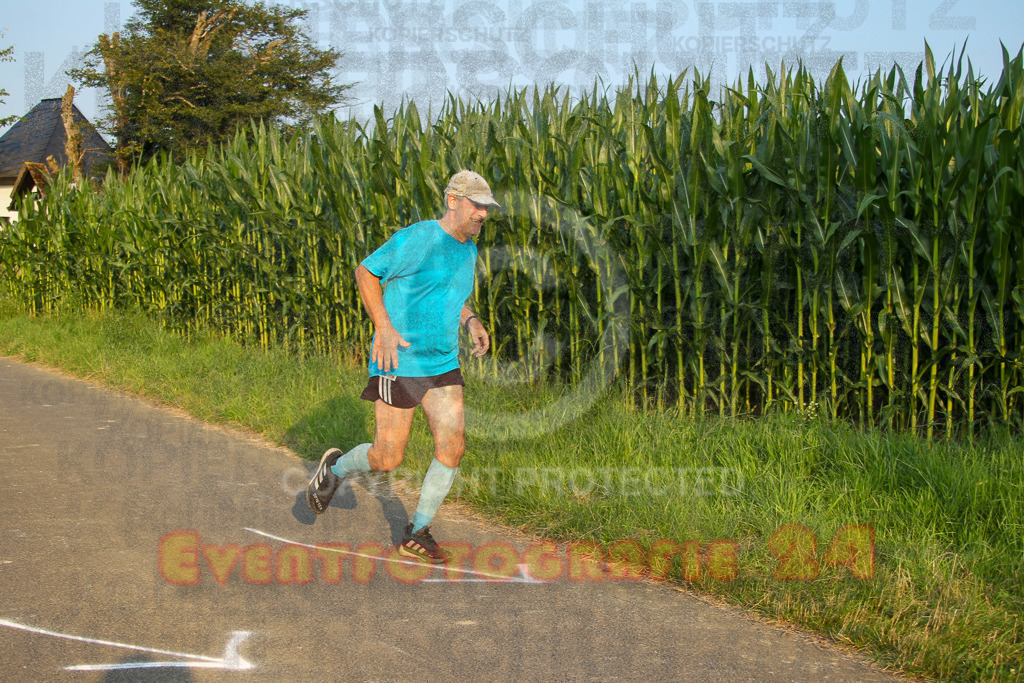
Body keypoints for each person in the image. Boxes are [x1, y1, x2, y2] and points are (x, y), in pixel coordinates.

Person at [305, 169, 498, 564]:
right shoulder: (420, 239)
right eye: (477, 205)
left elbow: (446, 295)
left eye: (487, 208)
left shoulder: (467, 250)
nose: (483, 214)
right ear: (453, 201)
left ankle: (417, 530)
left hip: (442, 362)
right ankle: (336, 468)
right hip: (400, 359)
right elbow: (366, 271)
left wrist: (471, 320)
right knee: (387, 458)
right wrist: (384, 328)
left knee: (453, 447)